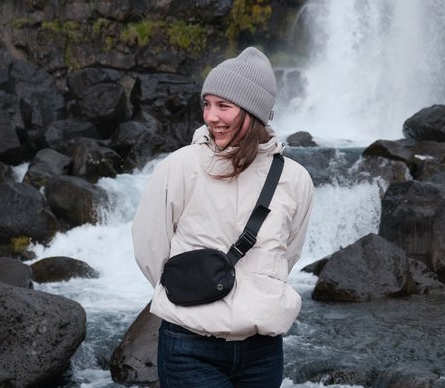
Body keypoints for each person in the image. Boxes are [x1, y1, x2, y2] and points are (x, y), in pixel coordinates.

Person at [132, 46, 315, 388]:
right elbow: (149, 247)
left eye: (223, 106)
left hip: (262, 352)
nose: (211, 116)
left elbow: (286, 255)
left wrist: (255, 293)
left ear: (253, 112)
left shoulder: (295, 179)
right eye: (207, 104)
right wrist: (188, 294)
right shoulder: (180, 167)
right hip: (189, 346)